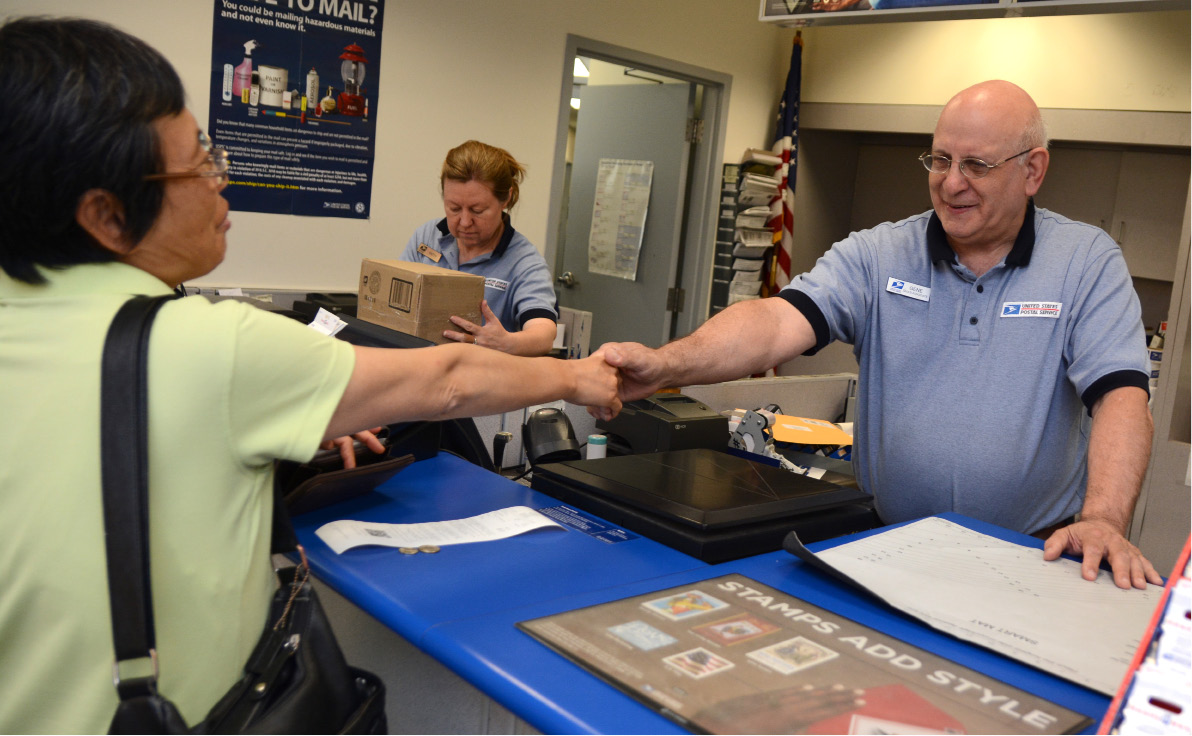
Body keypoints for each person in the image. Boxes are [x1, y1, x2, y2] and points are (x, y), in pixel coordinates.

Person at [0, 17, 620, 734]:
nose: (219, 179)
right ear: (106, 215)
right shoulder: (208, 344)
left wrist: (296, 420)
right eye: (198, 162)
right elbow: (447, 380)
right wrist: (577, 380)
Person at [597, 80, 1161, 590]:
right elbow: (773, 323)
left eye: (976, 165)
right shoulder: (879, 254)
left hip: (1033, 556)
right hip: (893, 545)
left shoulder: (1085, 262)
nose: (951, 182)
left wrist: (1104, 520)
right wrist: (667, 364)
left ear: (1032, 170)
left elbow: (1122, 396)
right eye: (940, 159)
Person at [400, 140, 559, 356]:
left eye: (478, 210)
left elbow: (543, 334)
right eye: (454, 208)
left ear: (506, 199)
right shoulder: (427, 237)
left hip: (482, 381)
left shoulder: (524, 262)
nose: (464, 222)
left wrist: (506, 342)